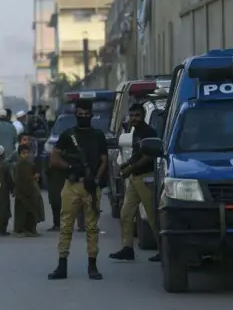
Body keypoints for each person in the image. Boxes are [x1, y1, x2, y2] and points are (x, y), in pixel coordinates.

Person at [47, 98, 109, 281]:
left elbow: (104, 160)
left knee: (91, 227)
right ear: (76, 114)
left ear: (91, 114)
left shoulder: (98, 135)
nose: (83, 117)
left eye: (86, 114)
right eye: (80, 114)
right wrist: (70, 167)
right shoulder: (68, 135)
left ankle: (92, 266)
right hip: (72, 185)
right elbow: (54, 159)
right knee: (66, 226)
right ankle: (62, 265)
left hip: (90, 186)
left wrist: (96, 179)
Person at [109, 103, 161, 262]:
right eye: (132, 116)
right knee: (126, 214)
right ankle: (127, 248)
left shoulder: (149, 132)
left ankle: (163, 249)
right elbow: (137, 153)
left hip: (146, 177)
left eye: (137, 116)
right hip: (135, 178)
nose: (134, 119)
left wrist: (131, 169)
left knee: (152, 216)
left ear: (143, 115)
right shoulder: (135, 131)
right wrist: (127, 164)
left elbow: (149, 156)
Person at [13, 144, 44, 237]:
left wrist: (36, 176)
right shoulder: (19, 165)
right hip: (22, 192)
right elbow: (19, 179)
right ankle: (22, 229)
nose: (26, 155)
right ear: (19, 154)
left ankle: (31, 229)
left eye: (27, 153)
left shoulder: (30, 164)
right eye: (23, 153)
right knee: (23, 212)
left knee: (32, 211)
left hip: (31, 191)